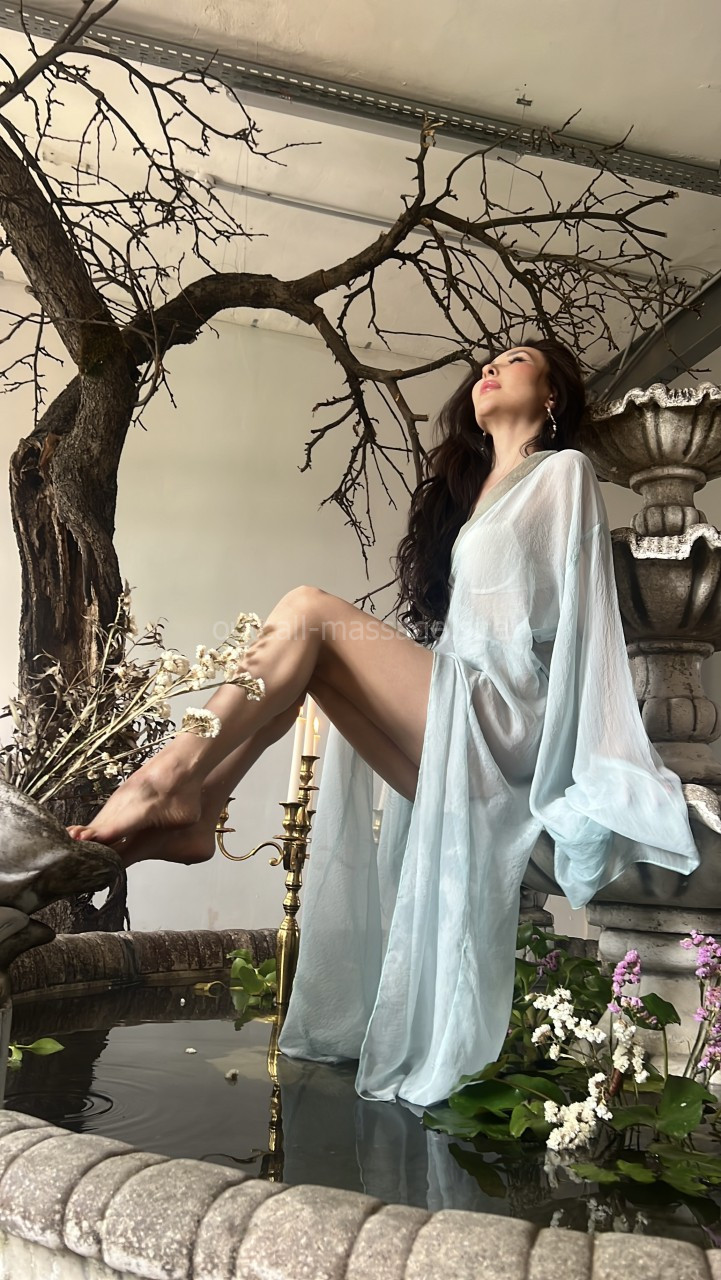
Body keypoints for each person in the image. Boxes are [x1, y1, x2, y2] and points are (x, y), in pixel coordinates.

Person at [69, 337, 701, 1107]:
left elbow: (580, 624)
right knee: (307, 666)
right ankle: (200, 807)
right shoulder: (482, 493)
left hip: (508, 723)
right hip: (461, 713)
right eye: (487, 362)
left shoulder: (561, 473)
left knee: (306, 612)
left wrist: (587, 751)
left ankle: (164, 779)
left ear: (552, 397)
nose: (489, 368)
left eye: (515, 360)